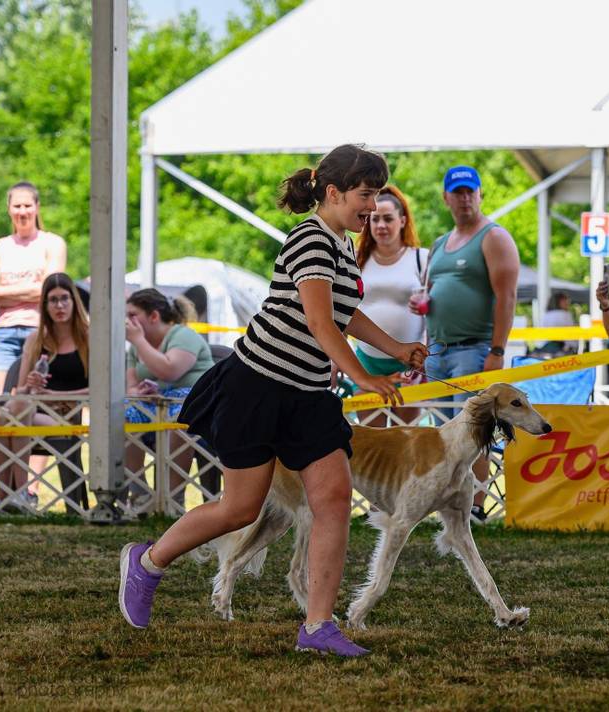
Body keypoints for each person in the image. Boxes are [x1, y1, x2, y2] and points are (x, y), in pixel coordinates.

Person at [117, 144, 427, 657]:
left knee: (333, 500)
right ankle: (146, 564)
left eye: (375, 195)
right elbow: (318, 321)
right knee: (239, 509)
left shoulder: (342, 244)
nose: (372, 206)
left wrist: (397, 349)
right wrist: (363, 377)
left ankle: (318, 627)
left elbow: (344, 315)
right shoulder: (310, 238)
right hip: (257, 387)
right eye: (365, 195)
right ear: (333, 193)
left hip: (307, 395)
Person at [410, 165, 519, 522]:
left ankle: (475, 506)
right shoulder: (440, 244)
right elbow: (429, 293)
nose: (465, 198)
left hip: (475, 349)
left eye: (471, 191)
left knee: (474, 433)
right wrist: (424, 310)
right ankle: (449, 504)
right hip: (439, 351)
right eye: (458, 192)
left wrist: (497, 350)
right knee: (443, 434)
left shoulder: (494, 236)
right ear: (446, 198)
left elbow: (507, 296)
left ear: (481, 194)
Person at [0, 273, 88, 514]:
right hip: (33, 410)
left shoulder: (89, 338)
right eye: (52, 300)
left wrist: (53, 393)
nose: (60, 306)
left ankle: (12, 494)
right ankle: (11, 495)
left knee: (10, 412)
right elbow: (20, 390)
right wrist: (31, 385)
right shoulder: (35, 340)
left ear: (75, 301)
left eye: (65, 298)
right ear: (44, 305)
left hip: (67, 415)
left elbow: (99, 390)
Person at [123, 288, 214, 510]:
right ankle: (141, 496)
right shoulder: (136, 346)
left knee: (179, 422)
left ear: (154, 316)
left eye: (133, 315)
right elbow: (130, 386)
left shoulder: (183, 335)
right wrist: (138, 392)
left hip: (197, 405)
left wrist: (138, 341)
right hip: (154, 406)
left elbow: (170, 370)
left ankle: (173, 500)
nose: (128, 321)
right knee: (122, 415)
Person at [353, 185, 428, 426]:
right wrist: (336, 358)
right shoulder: (356, 259)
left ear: (403, 220)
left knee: (403, 446)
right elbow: (340, 310)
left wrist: (424, 356)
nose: (381, 226)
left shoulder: (422, 258)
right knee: (373, 446)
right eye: (375, 219)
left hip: (409, 364)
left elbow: (435, 314)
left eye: (388, 218)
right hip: (366, 361)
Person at [0, 182, 67, 395]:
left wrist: (5, 292)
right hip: (4, 332)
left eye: (27, 205)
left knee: (36, 400)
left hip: (41, 329)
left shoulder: (53, 243)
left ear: (37, 207)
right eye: (17, 206)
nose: (22, 211)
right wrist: (34, 289)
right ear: (9, 209)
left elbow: (50, 290)